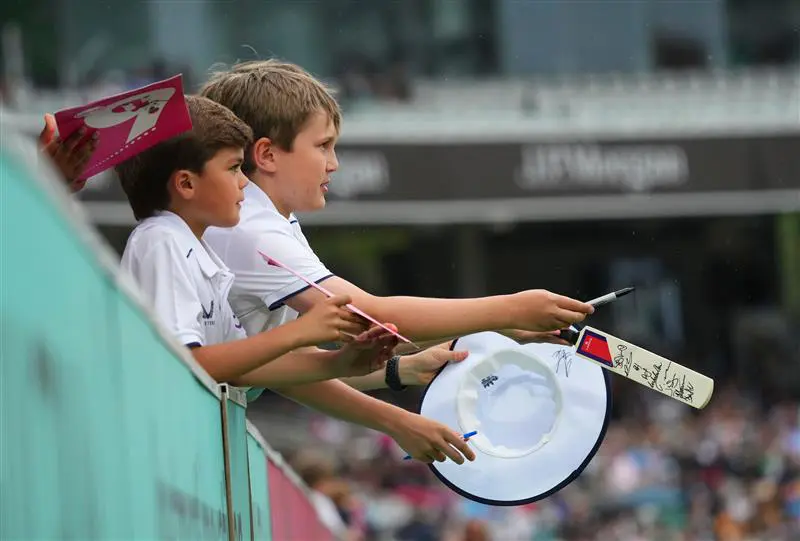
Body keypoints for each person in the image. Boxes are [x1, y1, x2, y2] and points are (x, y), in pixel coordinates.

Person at [115, 94, 474, 465]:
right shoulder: (161, 240)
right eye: (234, 168)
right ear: (186, 184)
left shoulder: (199, 250)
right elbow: (188, 363)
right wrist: (513, 315)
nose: (243, 183)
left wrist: (342, 364)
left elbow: (247, 371)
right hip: (152, 452)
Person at [198, 59, 595, 394]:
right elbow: (369, 316)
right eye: (323, 146)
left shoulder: (272, 219)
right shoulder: (252, 229)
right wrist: (511, 308)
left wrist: (501, 326)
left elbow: (285, 363)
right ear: (266, 154)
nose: (333, 164)